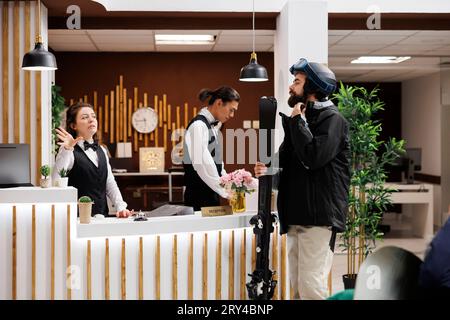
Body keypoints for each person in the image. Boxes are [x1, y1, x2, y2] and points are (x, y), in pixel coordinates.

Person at [254, 58, 350, 299]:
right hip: (296, 216)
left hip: (318, 218)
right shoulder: (300, 122)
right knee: (297, 287)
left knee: (311, 287)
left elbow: (314, 157)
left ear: (314, 87)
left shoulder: (333, 121)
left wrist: (297, 121)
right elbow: (285, 161)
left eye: (297, 82)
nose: (291, 87)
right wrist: (267, 169)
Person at [55, 102, 133, 218]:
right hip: (77, 219)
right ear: (73, 126)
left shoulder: (102, 150)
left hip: (102, 216)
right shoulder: (68, 149)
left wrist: (121, 207)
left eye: (93, 116)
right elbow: (56, 179)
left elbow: (109, 183)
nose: (91, 120)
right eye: (85, 117)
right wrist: (67, 149)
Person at [183, 86, 240, 211]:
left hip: (211, 196)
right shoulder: (198, 126)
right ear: (219, 103)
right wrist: (225, 192)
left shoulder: (213, 127)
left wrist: (230, 186)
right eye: (231, 110)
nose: (232, 115)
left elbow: (217, 164)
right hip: (198, 200)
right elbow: (203, 165)